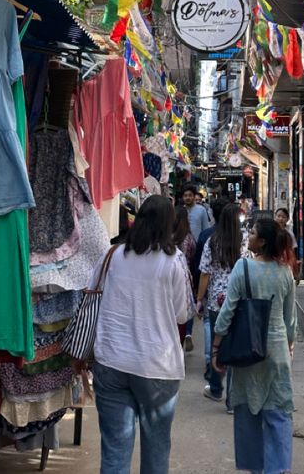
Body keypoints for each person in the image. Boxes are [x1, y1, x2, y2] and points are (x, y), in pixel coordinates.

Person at [91, 194, 192, 474]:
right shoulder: (174, 262)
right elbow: (182, 314)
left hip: (111, 360)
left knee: (114, 449)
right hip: (157, 366)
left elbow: (91, 295)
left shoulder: (112, 255)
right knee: (157, 449)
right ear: (168, 224)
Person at [212, 219, 297, 474]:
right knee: (279, 412)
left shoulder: (243, 267)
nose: (247, 236)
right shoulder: (285, 272)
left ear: (261, 242)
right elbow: (289, 319)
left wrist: (217, 345)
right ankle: (278, 469)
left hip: (247, 348)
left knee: (247, 411)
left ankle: (254, 467)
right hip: (277, 348)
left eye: (251, 233)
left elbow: (228, 311)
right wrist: (289, 346)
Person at [196, 202, 246, 411]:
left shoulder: (212, 241)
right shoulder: (244, 241)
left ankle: (216, 388)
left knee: (218, 344)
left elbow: (205, 273)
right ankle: (232, 401)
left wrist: (199, 299)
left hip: (217, 300)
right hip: (240, 299)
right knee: (235, 348)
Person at [193, 195, 229, 379]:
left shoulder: (207, 236)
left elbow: (203, 270)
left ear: (213, 215)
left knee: (210, 325)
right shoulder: (242, 236)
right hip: (236, 295)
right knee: (230, 333)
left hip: (214, 295)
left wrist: (199, 297)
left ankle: (211, 364)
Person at [173, 204, 197, 349]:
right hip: (186, 275)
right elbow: (193, 255)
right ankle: (187, 333)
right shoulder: (189, 237)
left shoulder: (167, 236)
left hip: (171, 276)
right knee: (187, 306)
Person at [275, 208, 301, 284]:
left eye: (283, 217)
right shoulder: (271, 232)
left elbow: (292, 253)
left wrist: (296, 272)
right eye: (278, 216)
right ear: (275, 217)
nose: (280, 219)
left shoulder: (289, 234)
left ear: (287, 219)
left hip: (285, 263)